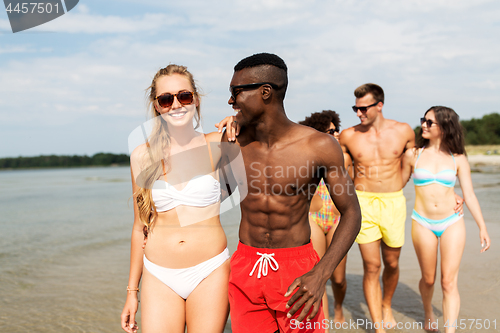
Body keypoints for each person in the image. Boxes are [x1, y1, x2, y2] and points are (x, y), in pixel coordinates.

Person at [221, 53, 361, 333]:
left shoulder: (318, 146)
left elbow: (352, 212)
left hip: (297, 268)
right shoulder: (235, 143)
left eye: (236, 92)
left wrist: (321, 273)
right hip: (246, 265)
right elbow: (222, 196)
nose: (231, 100)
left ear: (265, 92)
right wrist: (225, 148)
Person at [120, 64, 238, 333]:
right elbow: (140, 227)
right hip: (159, 275)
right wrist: (131, 292)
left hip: (210, 270)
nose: (176, 104)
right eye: (166, 99)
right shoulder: (142, 156)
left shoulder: (218, 144)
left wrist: (239, 120)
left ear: (195, 98)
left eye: (184, 96)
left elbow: (269, 143)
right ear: (157, 106)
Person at [402, 106, 490, 333]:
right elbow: (397, 184)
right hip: (422, 222)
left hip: (452, 222)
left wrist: (482, 227)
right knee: (429, 279)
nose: (423, 125)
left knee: (448, 282)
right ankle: (429, 312)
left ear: (444, 126)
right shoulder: (413, 154)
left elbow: (469, 194)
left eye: (430, 122)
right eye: (423, 120)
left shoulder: (458, 158)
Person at [339, 83, 416, 332]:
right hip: (363, 203)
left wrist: (398, 186)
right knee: (371, 266)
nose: (358, 113)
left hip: (394, 202)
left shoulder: (403, 131)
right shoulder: (349, 135)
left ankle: (386, 305)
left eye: (363, 108)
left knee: (391, 263)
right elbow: (340, 170)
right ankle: (378, 327)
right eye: (355, 108)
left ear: (379, 105)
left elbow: (411, 164)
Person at [299, 110, 350, 323]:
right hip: (315, 218)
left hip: (338, 219)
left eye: (337, 129)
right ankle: (324, 323)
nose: (337, 133)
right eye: (331, 131)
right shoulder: (306, 157)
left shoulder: (345, 158)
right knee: (318, 274)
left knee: (338, 279)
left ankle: (338, 306)